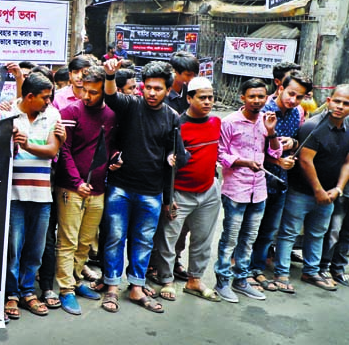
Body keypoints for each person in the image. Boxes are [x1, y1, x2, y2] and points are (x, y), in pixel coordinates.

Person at [98, 59, 179, 315]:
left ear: (168, 90)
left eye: (158, 88)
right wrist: (110, 75)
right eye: (149, 88)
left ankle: (136, 286)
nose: (152, 93)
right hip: (120, 187)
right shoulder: (131, 105)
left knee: (143, 241)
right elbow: (111, 97)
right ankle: (111, 287)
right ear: (142, 87)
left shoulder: (172, 118)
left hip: (152, 192)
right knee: (114, 238)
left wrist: (169, 196)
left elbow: (175, 159)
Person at [149, 77, 222, 302]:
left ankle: (194, 281)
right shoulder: (176, 125)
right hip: (180, 192)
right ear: (189, 98)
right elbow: (165, 165)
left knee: (203, 239)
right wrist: (168, 197)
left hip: (209, 190)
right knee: (169, 239)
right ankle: (166, 280)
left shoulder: (216, 123)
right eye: (202, 97)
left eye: (211, 97)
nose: (208, 102)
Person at [273, 85, 349, 293]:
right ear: (329, 100)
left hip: (329, 193)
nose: (340, 107)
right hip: (302, 191)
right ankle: (281, 273)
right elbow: (306, 162)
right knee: (289, 232)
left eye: (346, 103)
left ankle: (311, 271)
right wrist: (318, 190)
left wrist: (337, 189)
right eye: (337, 101)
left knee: (318, 233)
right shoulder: (313, 126)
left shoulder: (348, 129)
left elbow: (347, 162)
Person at [54, 67, 117, 315]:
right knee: (67, 240)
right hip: (71, 187)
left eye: (93, 92)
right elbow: (64, 150)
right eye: (84, 90)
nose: (87, 96)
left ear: (104, 91)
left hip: (99, 188)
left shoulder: (111, 115)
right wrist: (76, 181)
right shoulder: (70, 112)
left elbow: (111, 147)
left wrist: (115, 158)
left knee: (86, 241)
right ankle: (66, 289)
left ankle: (77, 279)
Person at [214, 78, 282, 303]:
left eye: (261, 96)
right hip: (235, 189)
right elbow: (221, 154)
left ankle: (241, 280)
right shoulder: (230, 122)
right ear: (242, 97)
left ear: (266, 98)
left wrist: (271, 133)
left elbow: (275, 154)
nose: (257, 101)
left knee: (249, 238)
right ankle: (222, 281)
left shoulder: (266, 120)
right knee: (230, 238)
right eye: (252, 96)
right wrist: (243, 162)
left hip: (259, 190)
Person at [5, 73, 64, 321]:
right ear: (29, 97)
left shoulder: (52, 115)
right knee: (13, 249)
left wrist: (27, 145)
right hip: (13, 193)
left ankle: (28, 291)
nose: (49, 102)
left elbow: (51, 151)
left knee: (35, 249)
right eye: (44, 97)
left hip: (41, 193)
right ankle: (11, 295)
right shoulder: (7, 114)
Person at [249, 72, 313, 291]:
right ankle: (243, 270)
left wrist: (293, 142)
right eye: (291, 93)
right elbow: (250, 148)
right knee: (249, 229)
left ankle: (257, 269)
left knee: (269, 230)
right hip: (256, 179)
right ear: (280, 88)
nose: (293, 100)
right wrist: (275, 160)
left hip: (281, 181)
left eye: (299, 96)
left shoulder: (297, 113)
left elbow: (298, 142)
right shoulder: (262, 109)